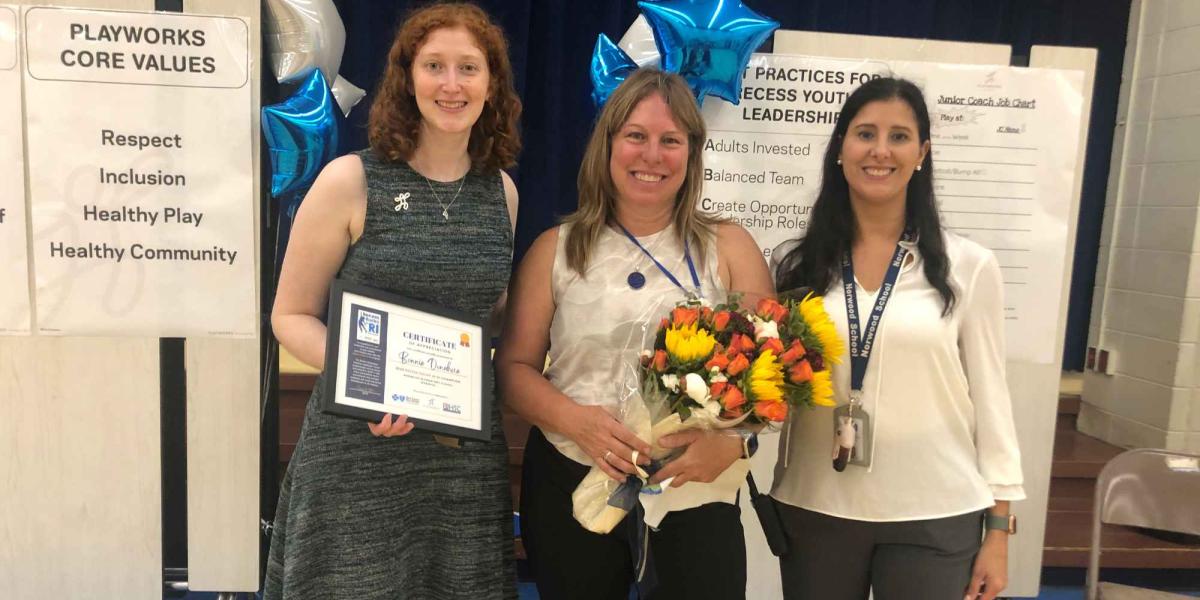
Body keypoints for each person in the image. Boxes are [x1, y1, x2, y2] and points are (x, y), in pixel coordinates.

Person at [264, 4, 521, 598]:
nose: (451, 84)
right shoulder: (350, 181)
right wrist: (372, 380)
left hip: (460, 459)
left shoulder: (501, 192)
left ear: (491, 84)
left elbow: (489, 316)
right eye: (434, 65)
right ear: (407, 78)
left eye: (468, 68)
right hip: (359, 447)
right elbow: (290, 316)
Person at [496, 68, 773, 600]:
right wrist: (577, 422)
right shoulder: (556, 249)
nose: (652, 155)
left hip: (694, 490)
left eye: (671, 141)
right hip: (572, 478)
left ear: (692, 153)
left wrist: (735, 443)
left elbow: (771, 375)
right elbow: (512, 371)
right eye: (636, 136)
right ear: (608, 146)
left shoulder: (730, 247)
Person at [770, 77, 1024, 600]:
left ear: (922, 152)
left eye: (899, 136)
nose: (880, 150)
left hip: (935, 511)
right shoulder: (796, 265)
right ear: (840, 148)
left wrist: (998, 530)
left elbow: (992, 400)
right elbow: (778, 384)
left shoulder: (968, 267)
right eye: (865, 133)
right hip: (817, 504)